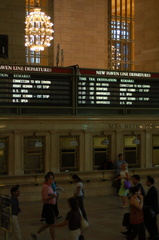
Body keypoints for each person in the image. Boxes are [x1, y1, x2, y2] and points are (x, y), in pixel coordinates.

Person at [31, 172, 57, 240]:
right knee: (52, 224)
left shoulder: (50, 186)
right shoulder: (45, 187)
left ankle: (36, 234)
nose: (53, 180)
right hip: (48, 207)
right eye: (51, 178)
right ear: (48, 179)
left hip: (51, 206)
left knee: (49, 223)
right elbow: (45, 199)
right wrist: (52, 196)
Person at [144, 176, 159, 240]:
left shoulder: (153, 190)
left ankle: (154, 236)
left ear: (150, 182)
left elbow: (151, 201)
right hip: (152, 209)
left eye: (147, 181)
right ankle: (154, 235)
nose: (146, 182)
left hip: (151, 210)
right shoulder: (151, 189)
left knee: (151, 224)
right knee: (152, 224)